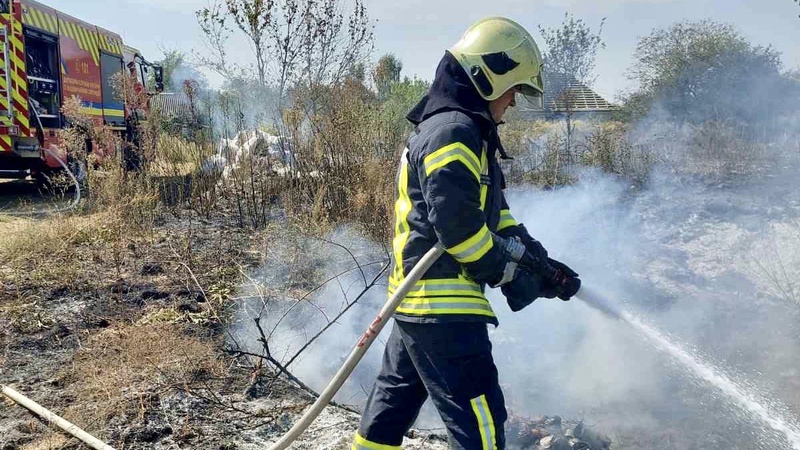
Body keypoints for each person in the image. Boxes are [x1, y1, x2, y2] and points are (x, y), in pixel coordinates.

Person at [351, 17, 581, 450]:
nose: (514, 102)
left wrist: (540, 263)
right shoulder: (453, 132)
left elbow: (496, 219)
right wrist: (508, 273)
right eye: (514, 89)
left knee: (390, 409)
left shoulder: (464, 132)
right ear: (487, 76)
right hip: (445, 306)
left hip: (422, 302)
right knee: (481, 423)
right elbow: (458, 230)